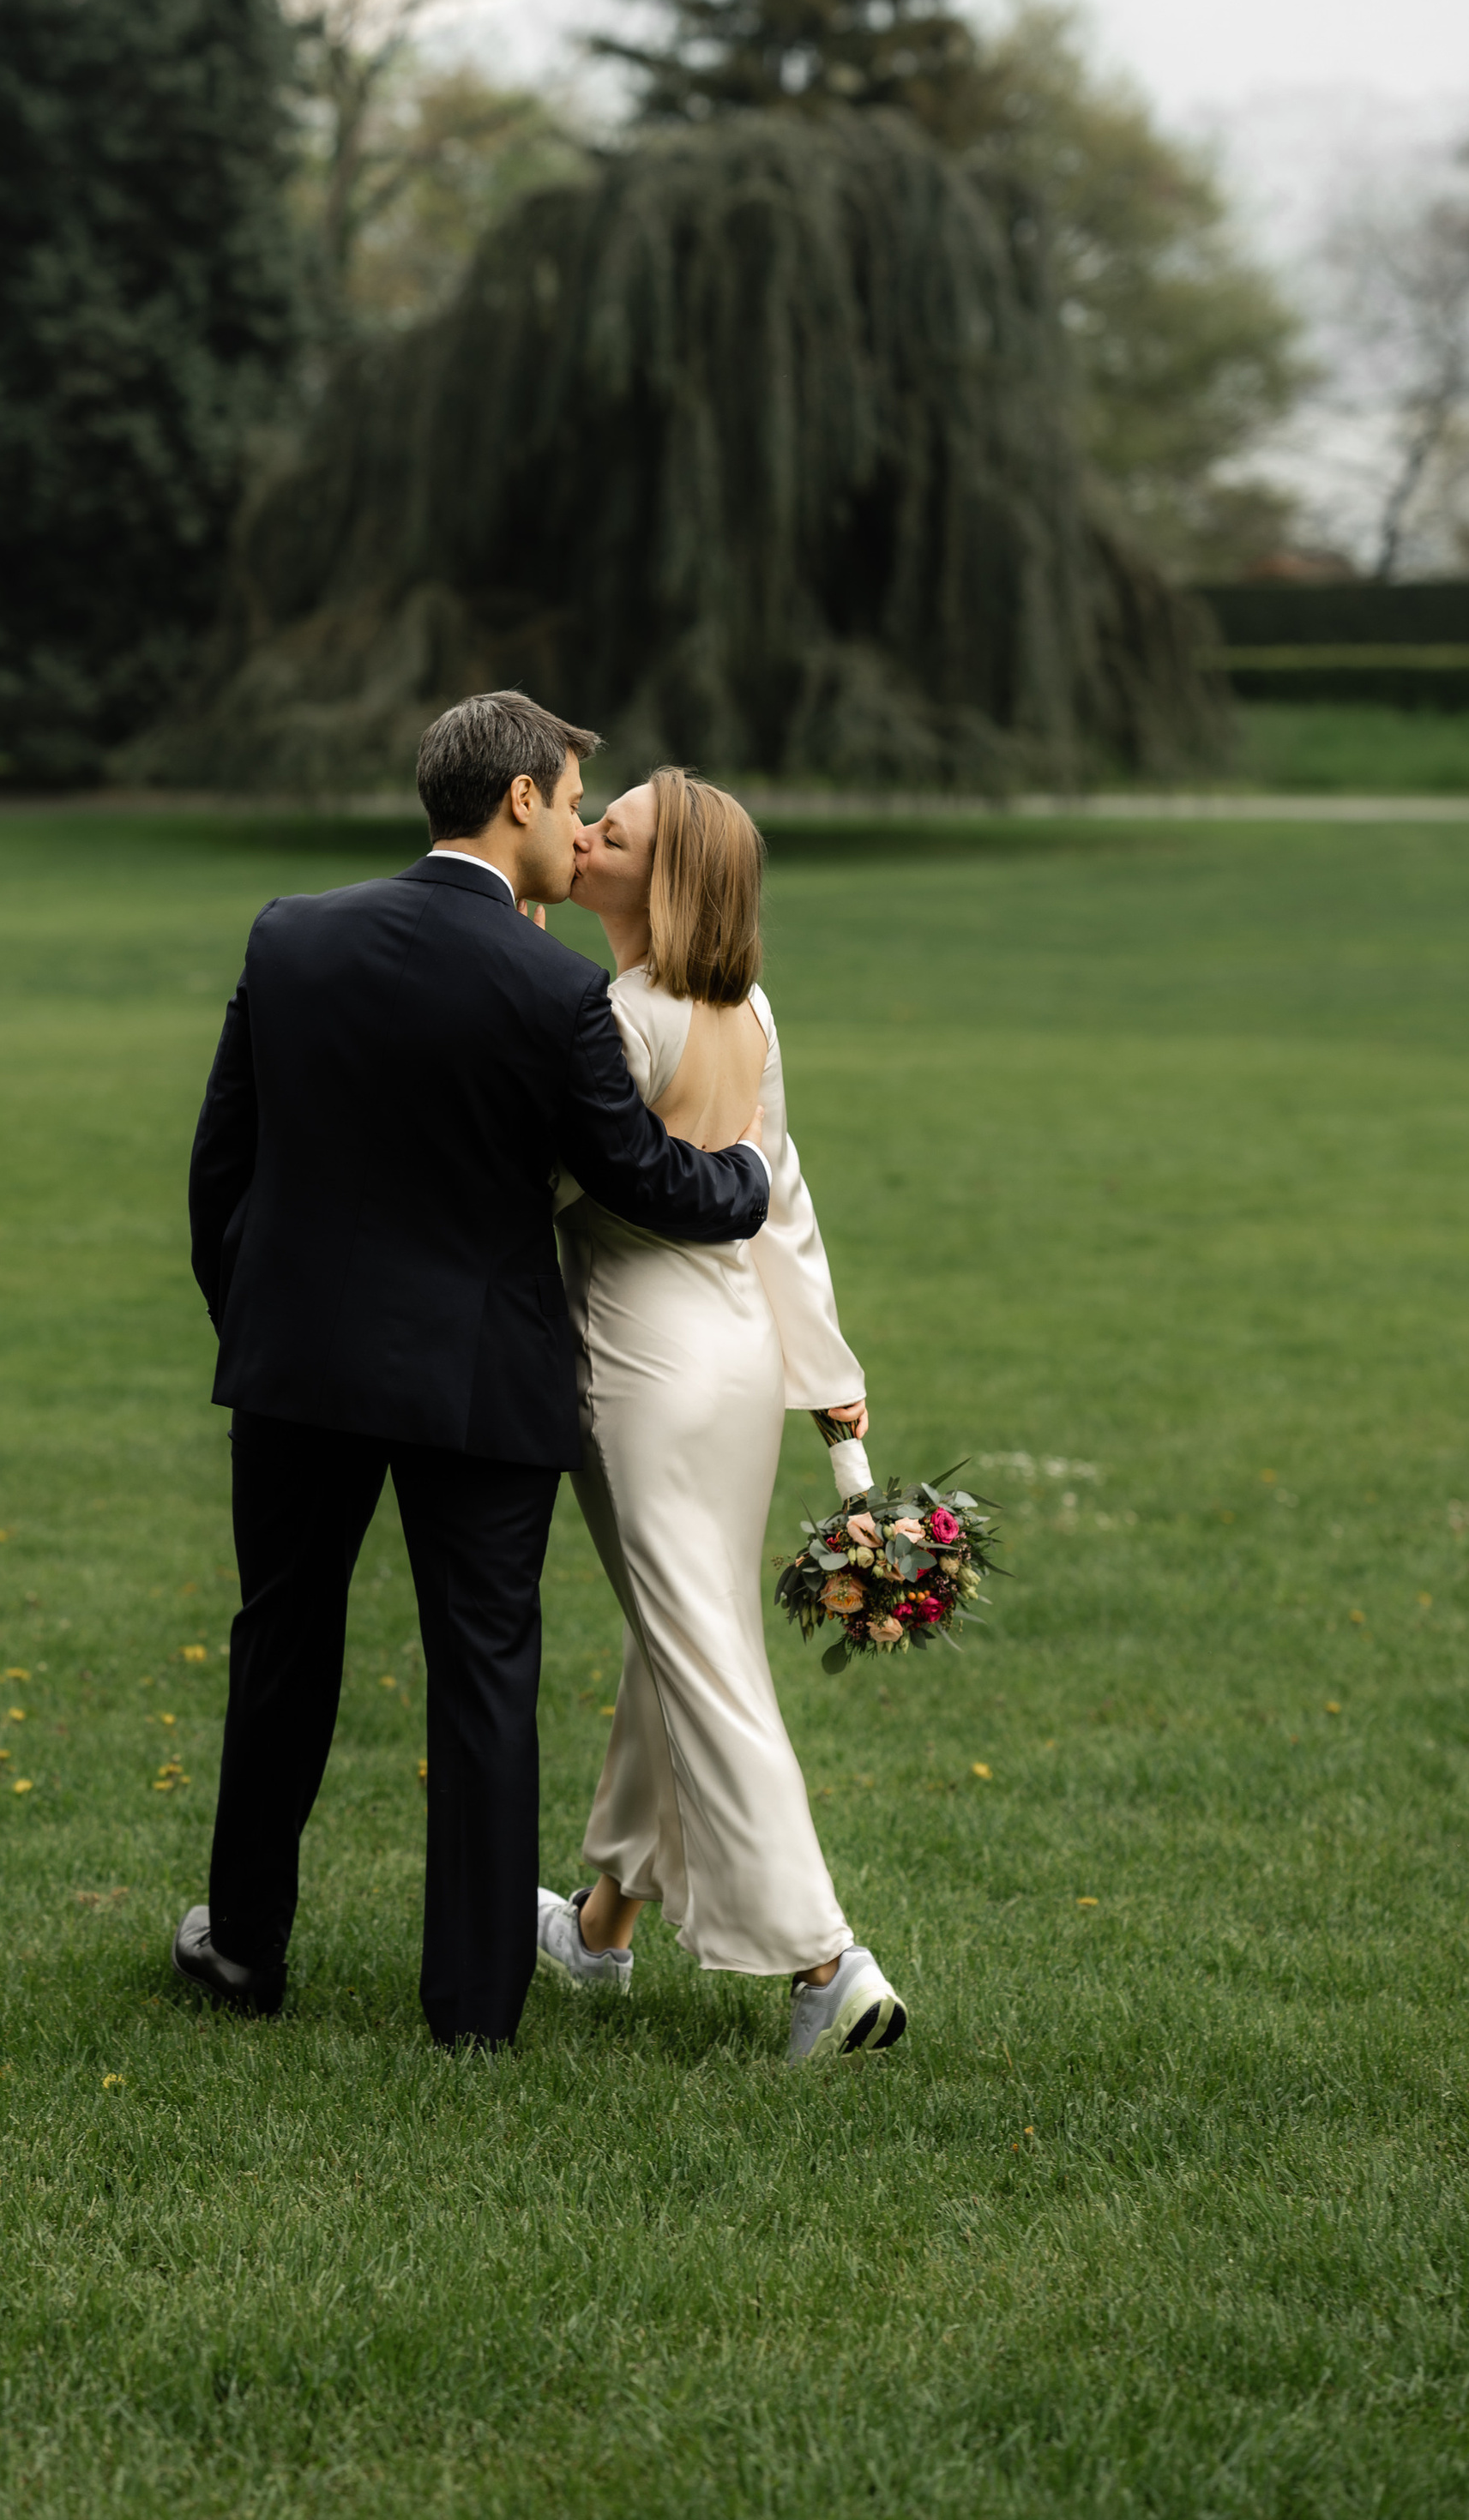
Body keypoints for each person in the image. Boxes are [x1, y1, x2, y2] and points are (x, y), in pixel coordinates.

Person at [178, 693, 773, 2052]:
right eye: (573, 800)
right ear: (519, 801)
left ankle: (243, 1952)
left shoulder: (292, 934)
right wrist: (747, 1178)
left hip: (296, 1367)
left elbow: (225, 1165)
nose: (579, 826)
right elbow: (638, 1176)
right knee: (486, 1676)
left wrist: (256, 1323)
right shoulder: (554, 984)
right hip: (479, 1380)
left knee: (284, 1646)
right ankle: (474, 2010)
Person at [535, 767, 907, 2066]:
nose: (583, 837)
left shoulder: (621, 1021)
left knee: (698, 1652)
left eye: (612, 833)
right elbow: (781, 1199)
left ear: (665, 880)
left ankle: (824, 1963)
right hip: (740, 1365)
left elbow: (557, 1190)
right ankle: (600, 1930)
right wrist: (830, 1386)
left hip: (645, 1368)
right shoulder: (747, 1010)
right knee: (676, 1638)